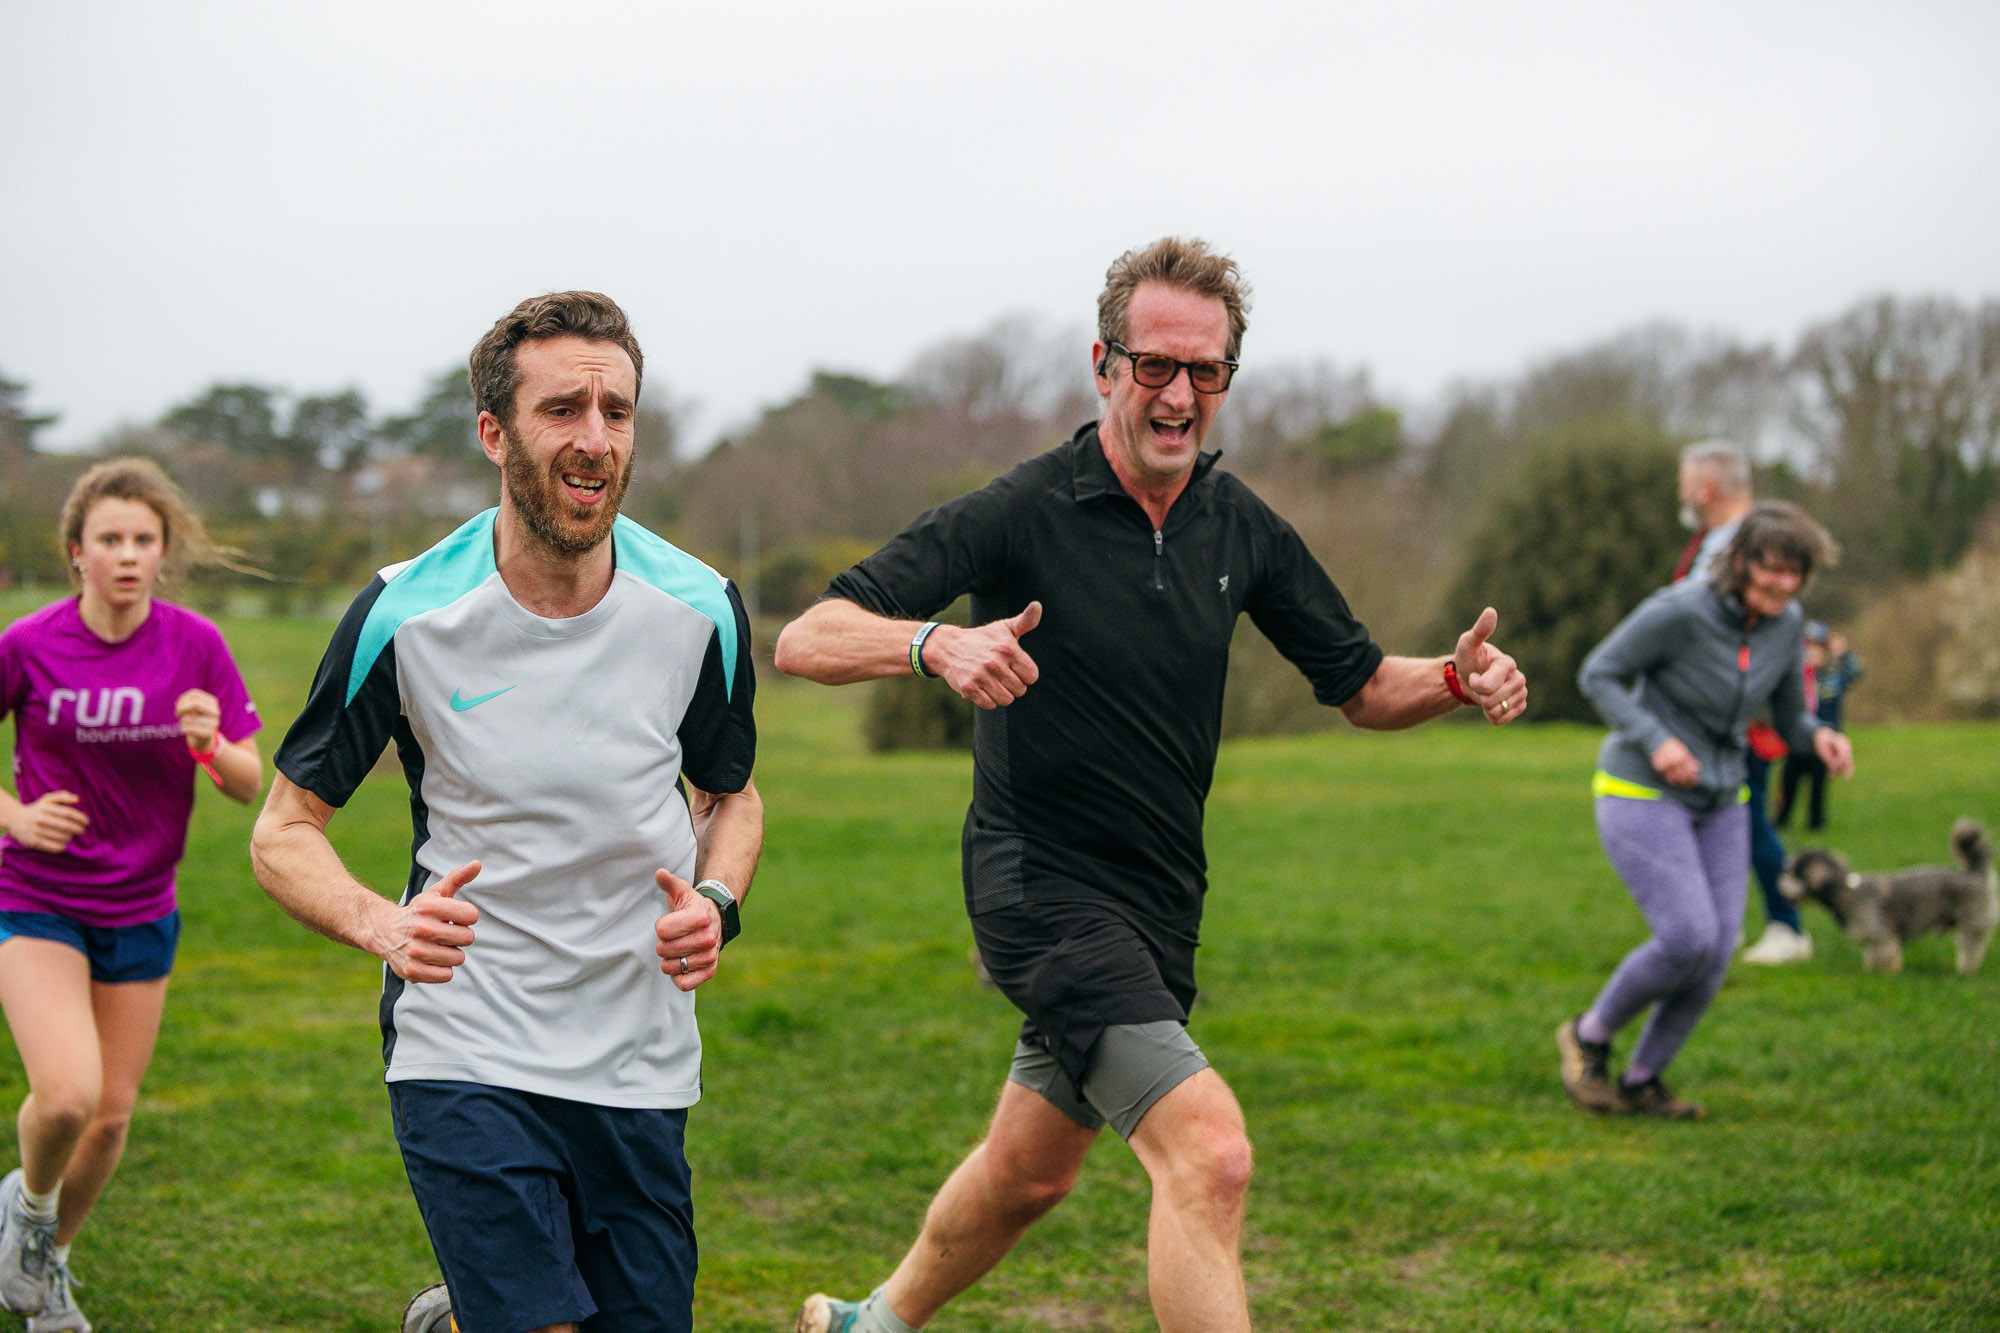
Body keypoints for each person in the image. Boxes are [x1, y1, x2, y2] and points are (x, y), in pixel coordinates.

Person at [772, 237, 1528, 1333]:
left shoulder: (1240, 528)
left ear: (1225, 379)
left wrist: (1454, 677)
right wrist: (934, 648)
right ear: (1103, 363)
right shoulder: (1023, 510)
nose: (1178, 394)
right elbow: (807, 634)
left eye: (1204, 371)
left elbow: (1360, 684)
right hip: (1042, 895)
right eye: (1155, 365)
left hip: (1160, 905)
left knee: (1029, 1172)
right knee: (1210, 1155)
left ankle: (867, 1324)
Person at [248, 292, 762, 1333]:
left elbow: (731, 798)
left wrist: (715, 897)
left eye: (616, 411)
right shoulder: (404, 614)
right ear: (494, 433)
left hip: (636, 1051)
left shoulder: (700, 608)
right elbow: (283, 828)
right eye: (562, 408)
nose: (594, 438)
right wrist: (381, 924)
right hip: (466, 1040)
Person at [0, 459, 265, 1333]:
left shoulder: (196, 645)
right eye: (109, 539)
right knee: (68, 1094)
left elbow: (246, 781)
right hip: (36, 896)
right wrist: (17, 814)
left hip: (144, 905)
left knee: (110, 1120)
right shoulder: (29, 643)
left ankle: (49, 1268)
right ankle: (29, 1211)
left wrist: (211, 741)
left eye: (143, 540)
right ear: (76, 552)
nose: (126, 555)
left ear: (162, 553)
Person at [1561, 502, 1854, 1120]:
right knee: (1687, 934)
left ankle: (1643, 1079)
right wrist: (1656, 740)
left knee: (1717, 949)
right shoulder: (1680, 611)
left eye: (1794, 572)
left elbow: (1786, 714)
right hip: (1641, 788)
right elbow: (1600, 673)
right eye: (1771, 568)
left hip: (1723, 795)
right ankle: (1589, 1035)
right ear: (1741, 561)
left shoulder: (1785, 624)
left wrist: (1816, 737)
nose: (1782, 583)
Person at [1672, 440, 1812, 965]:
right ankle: (1719, 925)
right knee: (1717, 816)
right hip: (1713, 711)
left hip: (1737, 714)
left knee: (1746, 817)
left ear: (1704, 488)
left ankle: (1787, 924)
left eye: (1685, 482)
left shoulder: (1741, 548)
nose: (1682, 493)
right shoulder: (1723, 540)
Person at [1776, 622, 1862, 832]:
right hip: (1799, 737)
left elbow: (1856, 672)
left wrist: (1843, 653)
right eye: (1807, 646)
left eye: (1816, 646)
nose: (1811, 651)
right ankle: (1781, 822)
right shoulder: (1798, 675)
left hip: (1827, 738)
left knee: (1818, 786)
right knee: (1789, 782)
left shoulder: (1834, 673)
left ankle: (1816, 825)